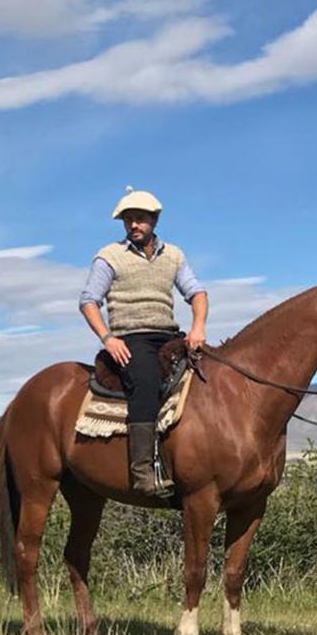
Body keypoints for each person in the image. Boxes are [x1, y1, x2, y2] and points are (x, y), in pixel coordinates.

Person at [78, 187, 208, 499]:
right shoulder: (109, 256)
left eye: (139, 219)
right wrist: (108, 338)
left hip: (168, 334)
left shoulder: (174, 255)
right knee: (146, 382)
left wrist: (198, 328)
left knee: (208, 374)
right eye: (128, 220)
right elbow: (88, 301)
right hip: (130, 338)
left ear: (154, 220)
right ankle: (143, 473)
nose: (133, 225)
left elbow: (197, 293)